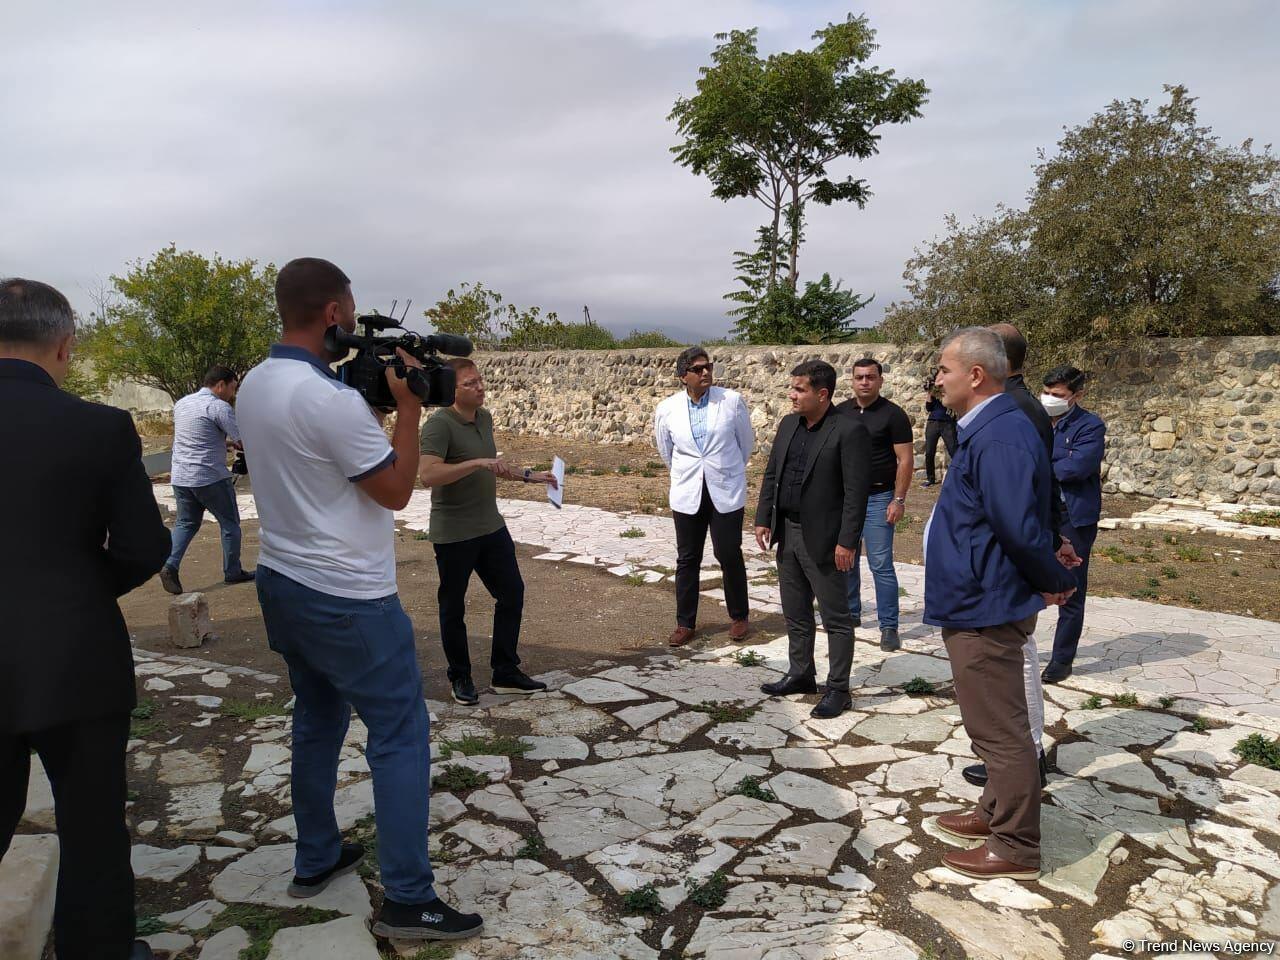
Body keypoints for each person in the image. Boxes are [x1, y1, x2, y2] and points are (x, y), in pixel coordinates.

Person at [236, 258, 482, 942]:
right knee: (400, 736)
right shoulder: (332, 402)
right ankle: (408, 898)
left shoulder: (256, 384)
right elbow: (397, 490)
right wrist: (405, 410)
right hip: (349, 597)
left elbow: (317, 459)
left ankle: (315, 854)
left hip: (282, 582)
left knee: (316, 718)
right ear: (337, 314)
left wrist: (372, 401)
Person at [0, 278, 171, 960]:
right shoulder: (99, 427)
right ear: (65, 347)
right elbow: (144, 547)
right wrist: (76, 590)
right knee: (92, 824)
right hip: (74, 657)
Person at [923, 327, 1076, 881]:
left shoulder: (1001, 434)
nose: (936, 379)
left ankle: (1015, 845)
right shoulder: (988, 427)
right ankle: (993, 811)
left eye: (943, 369)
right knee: (988, 720)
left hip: (985, 603)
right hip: (974, 596)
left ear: (975, 375)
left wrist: (1053, 578)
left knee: (1001, 730)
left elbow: (1018, 524)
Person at [960, 323, 1082, 789]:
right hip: (1019, 548)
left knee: (1017, 657)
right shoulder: (1023, 406)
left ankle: (1024, 757)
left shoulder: (1010, 410)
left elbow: (1020, 496)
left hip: (1008, 556)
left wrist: (1048, 556)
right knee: (1017, 656)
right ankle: (1018, 756)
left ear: (993, 362)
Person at [418, 357, 558, 706]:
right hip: (454, 532)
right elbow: (429, 475)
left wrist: (531, 476)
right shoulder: (439, 425)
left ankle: (505, 671)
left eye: (480, 381)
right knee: (453, 607)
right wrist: (476, 463)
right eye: (471, 383)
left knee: (512, 593)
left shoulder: (484, 418)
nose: (480, 387)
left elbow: (491, 466)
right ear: (452, 390)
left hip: (490, 526)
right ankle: (460, 676)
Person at [753, 360, 871, 719]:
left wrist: (847, 542)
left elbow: (856, 493)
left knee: (836, 617)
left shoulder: (849, 430)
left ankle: (838, 688)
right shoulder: (789, 424)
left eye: (799, 389)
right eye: (792, 388)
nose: (792, 395)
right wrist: (763, 518)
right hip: (786, 532)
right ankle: (801, 672)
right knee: (795, 610)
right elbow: (773, 473)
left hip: (826, 538)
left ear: (823, 394)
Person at [653, 346, 754, 647]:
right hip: (688, 491)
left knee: (728, 553)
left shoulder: (731, 402)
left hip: (725, 489)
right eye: (698, 369)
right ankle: (685, 622)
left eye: (708, 366)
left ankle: (739, 617)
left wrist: (723, 469)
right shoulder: (667, 408)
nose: (706, 372)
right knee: (687, 558)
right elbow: (665, 450)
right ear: (683, 375)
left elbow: (745, 444)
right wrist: (690, 472)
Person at [836, 358, 913, 652]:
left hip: (879, 498)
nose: (864, 382)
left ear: (880, 380)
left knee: (881, 564)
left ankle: (889, 626)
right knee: (846, 559)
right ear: (852, 381)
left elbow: (905, 460)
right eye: (859, 377)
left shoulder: (893, 415)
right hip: (845, 499)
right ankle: (851, 614)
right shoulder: (841, 412)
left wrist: (899, 499)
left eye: (870, 377)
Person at [159, 365, 255, 594]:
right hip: (209, 476)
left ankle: (169, 564)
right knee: (230, 524)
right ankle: (233, 571)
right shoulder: (218, 406)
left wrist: (225, 444)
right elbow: (243, 440)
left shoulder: (182, 403)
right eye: (232, 388)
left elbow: (198, 437)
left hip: (181, 476)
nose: (232, 394)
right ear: (221, 385)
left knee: (186, 523)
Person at [1041, 366, 1106, 679]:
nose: (1050, 400)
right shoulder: (1034, 421)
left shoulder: (1089, 426)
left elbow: (1077, 467)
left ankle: (1062, 660)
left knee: (1071, 585)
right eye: (1048, 393)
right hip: (1040, 513)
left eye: (1058, 395)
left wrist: (1040, 470)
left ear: (1077, 396)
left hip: (1073, 517)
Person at [922, 378, 956, 487]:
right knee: (929, 452)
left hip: (948, 423)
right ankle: (930, 479)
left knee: (954, 451)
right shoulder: (933, 394)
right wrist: (929, 393)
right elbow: (928, 408)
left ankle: (960, 477)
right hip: (933, 423)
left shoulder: (950, 391)